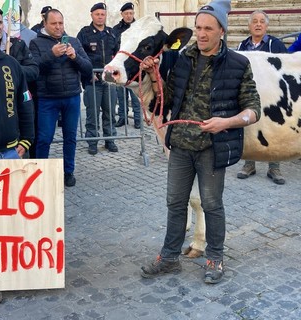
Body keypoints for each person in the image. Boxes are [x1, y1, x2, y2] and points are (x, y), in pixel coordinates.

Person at [139, 0, 261, 284]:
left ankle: (214, 259)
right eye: (198, 27)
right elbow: (166, 100)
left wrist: (226, 122)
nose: (201, 33)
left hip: (211, 148)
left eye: (208, 28)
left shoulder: (238, 64)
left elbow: (253, 109)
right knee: (175, 202)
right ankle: (169, 258)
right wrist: (152, 75)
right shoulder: (183, 58)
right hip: (180, 145)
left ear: (222, 30)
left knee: (211, 204)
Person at [0, 4, 34, 304]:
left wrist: (26, 142)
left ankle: (5, 275)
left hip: (11, 157)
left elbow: (25, 103)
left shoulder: (11, 65)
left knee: (7, 223)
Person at [29, 9, 93, 187]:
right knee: (44, 138)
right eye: (53, 23)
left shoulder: (73, 41)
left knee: (70, 137)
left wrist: (75, 57)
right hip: (47, 99)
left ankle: (68, 172)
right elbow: (34, 69)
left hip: (72, 97)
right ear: (45, 24)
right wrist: (52, 54)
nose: (58, 27)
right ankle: (39, 173)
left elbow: (88, 67)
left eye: (60, 23)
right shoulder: (35, 43)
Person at [236, 10, 288, 185]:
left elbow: (285, 68)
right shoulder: (242, 45)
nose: (258, 24)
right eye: (254, 21)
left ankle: (274, 168)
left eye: (261, 22)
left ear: (266, 26)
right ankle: (249, 164)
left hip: (273, 96)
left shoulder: (276, 44)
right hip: (249, 95)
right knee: (249, 128)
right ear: (249, 26)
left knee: (273, 129)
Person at [77, 2, 119, 155]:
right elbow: (79, 56)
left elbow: (118, 54)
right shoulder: (84, 33)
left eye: (102, 14)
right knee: (92, 113)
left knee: (109, 111)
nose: (100, 17)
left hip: (109, 78)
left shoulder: (111, 33)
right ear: (92, 15)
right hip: (91, 79)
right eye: (97, 14)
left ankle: (110, 139)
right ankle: (92, 142)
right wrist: (89, 73)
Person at [113, 2, 141, 129]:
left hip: (134, 67)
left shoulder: (139, 28)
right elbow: (113, 47)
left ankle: (137, 119)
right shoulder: (116, 29)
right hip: (120, 66)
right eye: (126, 13)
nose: (129, 16)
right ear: (122, 14)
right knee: (121, 94)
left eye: (131, 13)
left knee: (135, 95)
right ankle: (122, 118)